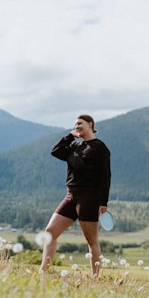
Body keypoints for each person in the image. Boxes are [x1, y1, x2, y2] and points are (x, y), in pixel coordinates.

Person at [40, 114, 111, 277]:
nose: (77, 126)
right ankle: (43, 271)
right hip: (70, 196)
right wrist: (69, 136)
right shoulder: (74, 146)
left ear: (90, 124)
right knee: (50, 231)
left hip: (89, 198)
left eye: (80, 123)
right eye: (75, 124)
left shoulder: (100, 147)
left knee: (92, 241)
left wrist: (103, 202)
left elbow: (105, 176)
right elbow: (56, 152)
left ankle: (95, 277)